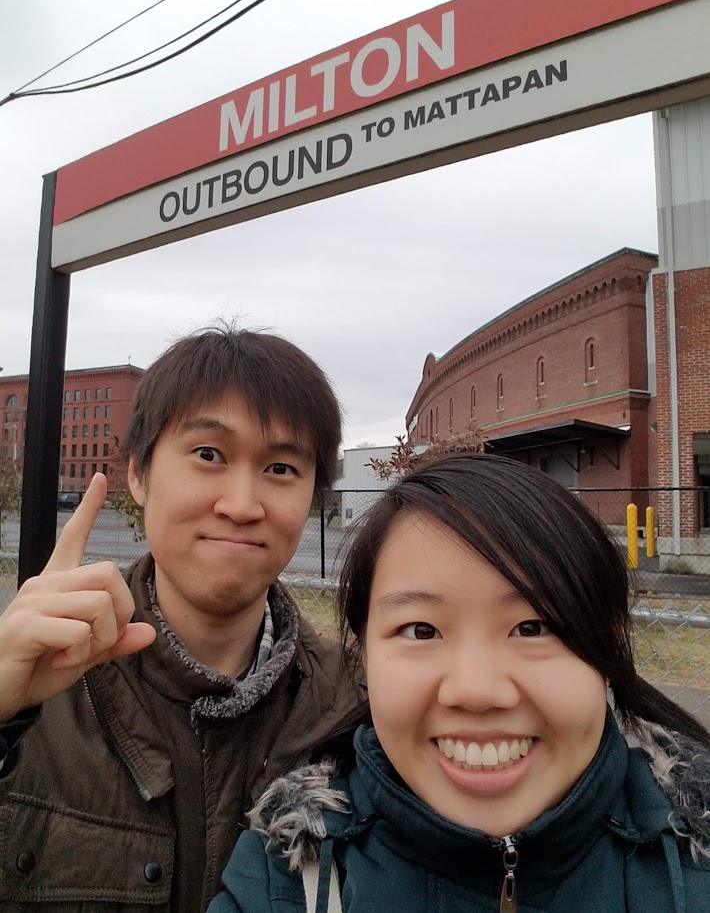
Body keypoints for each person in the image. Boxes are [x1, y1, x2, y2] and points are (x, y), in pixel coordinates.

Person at [210, 453, 710, 913]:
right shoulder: (284, 873)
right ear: (363, 654)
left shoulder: (696, 855)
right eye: (421, 631)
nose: (476, 692)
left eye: (532, 627)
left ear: (611, 647)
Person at [0, 326, 364, 912]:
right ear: (138, 475)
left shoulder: (357, 706)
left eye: (280, 468)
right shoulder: (32, 679)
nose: (241, 506)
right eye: (208, 455)